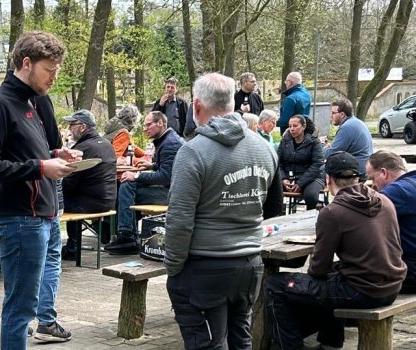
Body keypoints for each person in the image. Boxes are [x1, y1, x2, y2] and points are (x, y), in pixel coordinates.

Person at [0, 31, 80, 349]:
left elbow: (40, 153)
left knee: (28, 305)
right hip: (18, 219)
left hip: (45, 216)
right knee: (20, 309)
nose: (54, 77)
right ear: (26, 63)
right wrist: (40, 168)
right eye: (49, 70)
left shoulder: (37, 101)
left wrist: (58, 156)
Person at [164, 73, 282, 350]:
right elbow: (273, 208)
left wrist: (173, 266)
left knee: (206, 343)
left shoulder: (192, 152)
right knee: (240, 338)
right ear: (232, 102)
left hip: (203, 263)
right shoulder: (266, 149)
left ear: (196, 105)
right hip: (249, 262)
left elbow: (180, 218)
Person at [266, 151, 406, 350]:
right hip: (393, 285)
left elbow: (317, 269)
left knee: (276, 284)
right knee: (331, 276)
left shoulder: (332, 212)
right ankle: (330, 343)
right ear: (358, 177)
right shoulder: (384, 201)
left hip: (363, 291)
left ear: (328, 179)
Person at [107, 111, 183, 255]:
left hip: (172, 194)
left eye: (148, 125)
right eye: (144, 125)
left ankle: (127, 236)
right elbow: (168, 167)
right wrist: (152, 166)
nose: (145, 129)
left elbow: (166, 177)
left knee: (127, 187)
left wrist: (136, 175)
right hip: (170, 188)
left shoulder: (170, 144)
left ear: (160, 123)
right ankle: (128, 235)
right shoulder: (168, 140)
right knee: (127, 185)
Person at [60, 109, 117, 260]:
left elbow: (69, 183)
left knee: (53, 203)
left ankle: (72, 247)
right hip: (109, 201)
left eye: (72, 125)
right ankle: (74, 245)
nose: (69, 129)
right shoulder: (107, 144)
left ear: (82, 127)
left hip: (88, 203)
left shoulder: (82, 149)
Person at [367, 150, 416, 293]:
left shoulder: (397, 191)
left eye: (372, 178)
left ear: (384, 173)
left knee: (353, 277)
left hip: (411, 269)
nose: (373, 185)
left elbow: (359, 211)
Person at [277, 115, 325, 210]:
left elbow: (317, 164)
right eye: (290, 126)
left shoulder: (314, 142)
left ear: (303, 126)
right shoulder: (284, 142)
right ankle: (276, 216)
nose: (292, 129)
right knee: (272, 191)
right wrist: (283, 178)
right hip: (288, 177)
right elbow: (278, 163)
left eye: (295, 126)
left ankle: (312, 220)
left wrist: (300, 183)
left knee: (311, 196)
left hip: (312, 178)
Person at [323, 98, 373, 179]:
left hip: (356, 170)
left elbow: (331, 154)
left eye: (333, 113)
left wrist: (321, 146)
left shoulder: (346, 127)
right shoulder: (357, 122)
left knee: (316, 174)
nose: (331, 116)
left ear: (342, 114)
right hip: (364, 166)